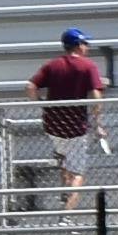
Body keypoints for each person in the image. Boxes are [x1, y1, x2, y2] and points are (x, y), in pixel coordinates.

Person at [34, 27, 111, 206]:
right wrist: (98, 122)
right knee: (78, 173)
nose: (88, 47)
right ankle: (67, 214)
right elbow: (96, 95)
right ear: (78, 45)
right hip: (76, 127)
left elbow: (30, 86)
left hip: (53, 125)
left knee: (65, 162)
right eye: (85, 43)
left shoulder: (52, 65)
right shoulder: (87, 66)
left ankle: (63, 198)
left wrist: (42, 105)